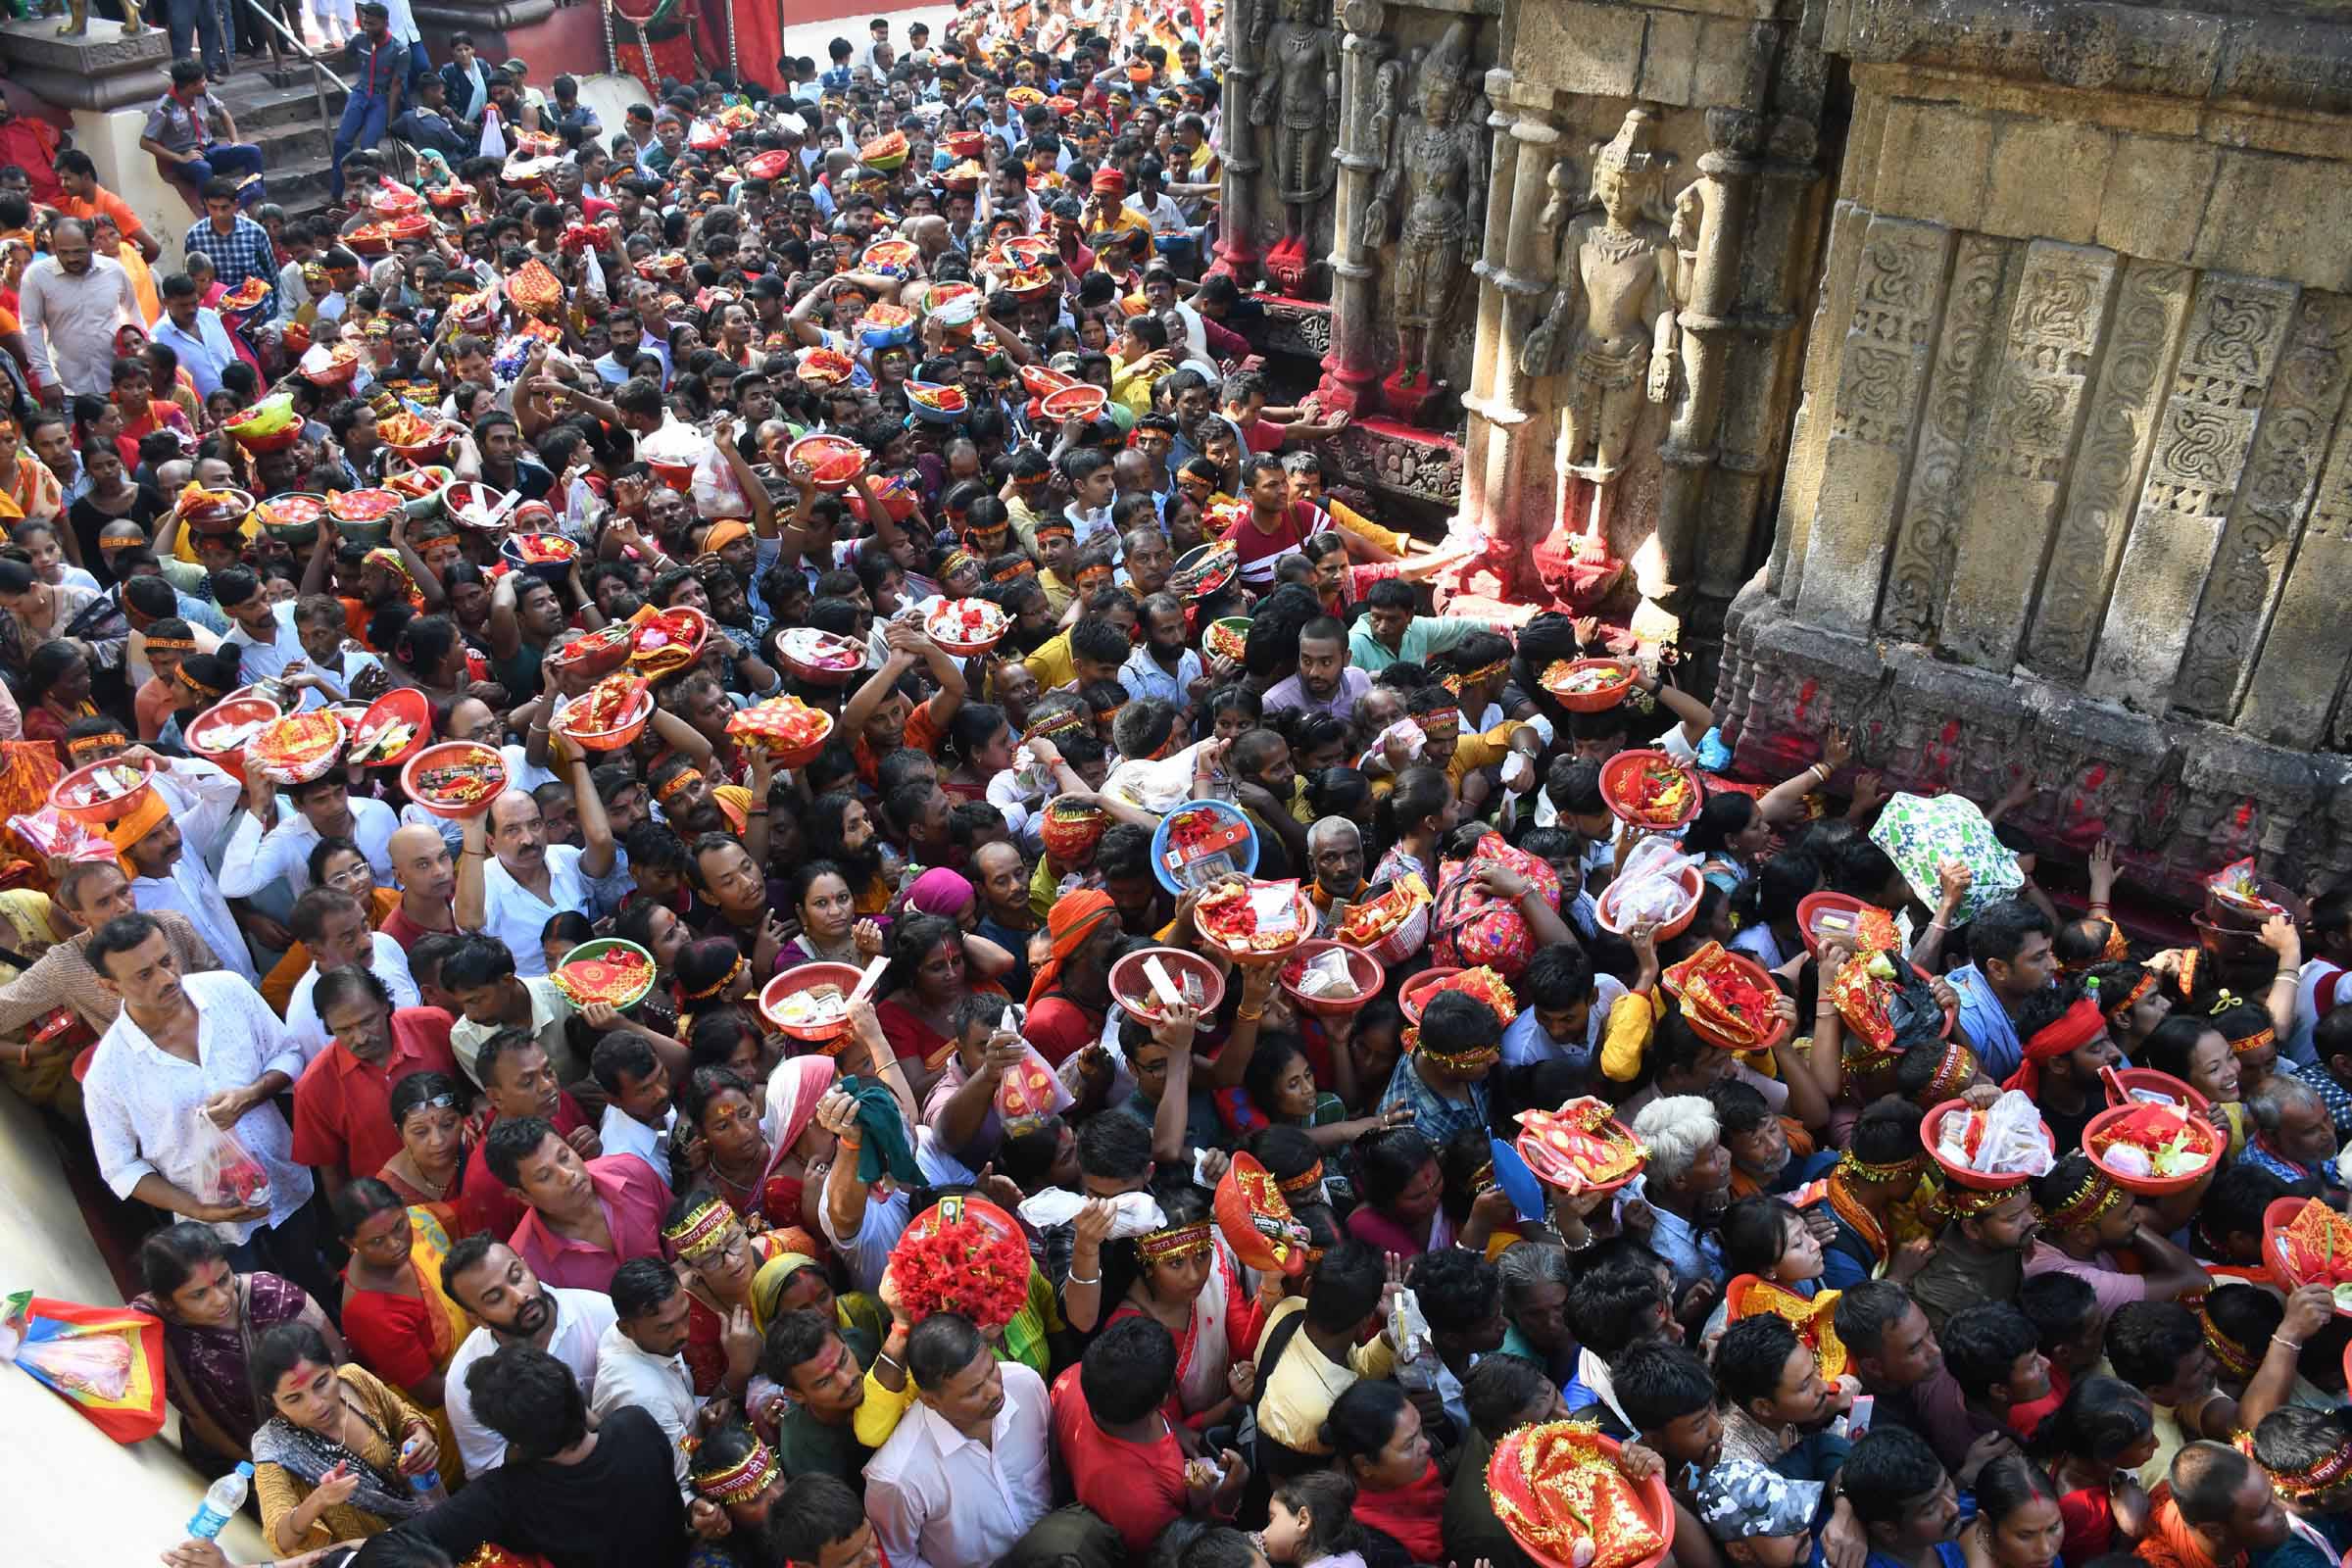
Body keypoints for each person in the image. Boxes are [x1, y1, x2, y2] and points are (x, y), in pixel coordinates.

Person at [84, 912, 327, 1296]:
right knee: (252, 1306)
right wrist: (198, 1210)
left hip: (287, 1183)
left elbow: (288, 1054)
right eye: (143, 975)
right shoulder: (109, 1072)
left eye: (166, 961)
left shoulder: (228, 991)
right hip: (216, 1228)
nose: (166, 979)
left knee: (313, 1275)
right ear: (110, 986)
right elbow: (120, 1168)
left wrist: (251, 1095)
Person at [392, 1342, 688, 1568]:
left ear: (510, 1439)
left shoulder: (504, 1494)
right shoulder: (636, 1425)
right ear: (572, 1389)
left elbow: (394, 1546)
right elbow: (605, 1432)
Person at [130, 1220, 346, 1465]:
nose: (221, 1299)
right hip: (226, 1457)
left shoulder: (275, 1299)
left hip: (324, 1441)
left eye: (224, 1279)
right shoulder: (153, 1326)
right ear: (167, 1301)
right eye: (199, 1294)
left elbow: (340, 1365)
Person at [863, 1311, 1053, 1568]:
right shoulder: (897, 1477)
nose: (996, 1390)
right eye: (974, 1391)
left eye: (992, 1369)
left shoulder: (1025, 1386)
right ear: (930, 1400)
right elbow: (900, 1560)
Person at [249, 1320, 440, 1553]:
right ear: (272, 1402)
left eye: (322, 1383)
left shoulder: (355, 1380)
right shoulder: (274, 1449)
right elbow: (280, 1538)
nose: (317, 1405)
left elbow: (402, 1416)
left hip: (430, 1524)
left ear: (334, 1364)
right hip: (374, 1558)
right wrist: (318, 1500)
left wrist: (420, 1435)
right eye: (294, 1398)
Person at [436, 1235, 616, 1479]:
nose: (519, 1297)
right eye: (495, 1298)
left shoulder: (600, 1313)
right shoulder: (463, 1380)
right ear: (477, 1319)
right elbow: (487, 1465)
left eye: (517, 1276)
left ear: (527, 1265)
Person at [290, 967, 459, 1195]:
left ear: (386, 1004)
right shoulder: (314, 1087)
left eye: (367, 1021)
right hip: (393, 1211)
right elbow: (330, 1171)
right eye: (345, 1030)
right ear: (328, 1026)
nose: (360, 1038)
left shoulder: (435, 1025)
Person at [457, 776, 617, 979]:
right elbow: (469, 923)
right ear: (491, 842)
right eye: (512, 830)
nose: (529, 839)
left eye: (535, 824)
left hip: (588, 983)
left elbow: (603, 843)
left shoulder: (565, 856)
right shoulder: (481, 882)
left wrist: (583, 939)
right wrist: (471, 831)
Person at [590, 1258, 699, 1486]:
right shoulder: (646, 1398)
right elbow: (686, 1480)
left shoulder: (638, 1330)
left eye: (685, 1314)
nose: (684, 1332)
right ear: (626, 1329)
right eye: (666, 1327)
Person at [17, 219, 139, 404]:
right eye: (63, 252)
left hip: (116, 384)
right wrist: (46, 378)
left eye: (78, 251)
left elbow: (133, 316)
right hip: (67, 388)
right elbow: (30, 327)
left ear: (92, 243)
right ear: (54, 247)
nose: (71, 258)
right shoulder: (37, 276)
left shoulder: (113, 271)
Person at [2135, 1443, 2290, 1568]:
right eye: (2262, 1512)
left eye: (2273, 1493)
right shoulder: (2157, 1562)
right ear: (2214, 1531)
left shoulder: (2192, 1498)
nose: (2283, 1508)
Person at [143, 66, 264, 196]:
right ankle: (210, 211)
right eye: (202, 81)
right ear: (189, 86)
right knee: (203, 169)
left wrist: (235, 141)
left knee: (252, 152)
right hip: (187, 160)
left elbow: (223, 113)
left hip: (209, 149)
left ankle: (252, 196)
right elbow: (145, 142)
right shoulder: (165, 107)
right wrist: (180, 158)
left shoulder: (202, 95)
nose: (206, 83)